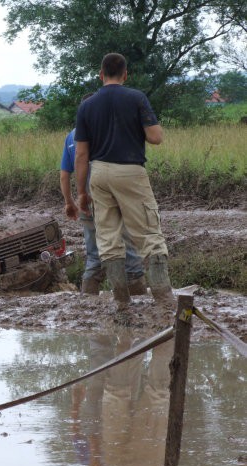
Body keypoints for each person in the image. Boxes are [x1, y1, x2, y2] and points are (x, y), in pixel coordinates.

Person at [74, 53, 174, 310]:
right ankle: (163, 298)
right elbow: (155, 138)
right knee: (150, 233)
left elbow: (81, 154)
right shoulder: (136, 98)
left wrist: (81, 193)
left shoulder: (87, 106)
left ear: (101, 74)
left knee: (107, 237)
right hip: (130, 171)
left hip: (99, 173)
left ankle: (121, 300)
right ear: (125, 74)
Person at [60, 98, 146, 296]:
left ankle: (88, 297)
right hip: (111, 199)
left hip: (86, 203)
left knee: (93, 251)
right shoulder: (107, 131)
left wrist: (69, 202)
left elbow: (65, 175)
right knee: (126, 243)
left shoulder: (71, 136)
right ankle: (135, 294)